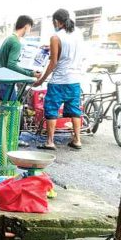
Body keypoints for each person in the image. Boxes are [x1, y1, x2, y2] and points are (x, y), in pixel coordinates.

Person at [35, 9, 83, 150]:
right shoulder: (78, 34)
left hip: (59, 81)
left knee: (51, 109)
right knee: (74, 109)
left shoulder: (55, 37)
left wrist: (41, 80)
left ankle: (50, 141)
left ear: (56, 21)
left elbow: (53, 62)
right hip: (75, 80)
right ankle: (77, 140)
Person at [0, 15, 40, 100]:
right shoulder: (16, 42)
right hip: (4, 80)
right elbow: (11, 64)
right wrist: (30, 74)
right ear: (26, 26)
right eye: (30, 28)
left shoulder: (9, 38)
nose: (29, 31)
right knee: (11, 108)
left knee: (5, 107)